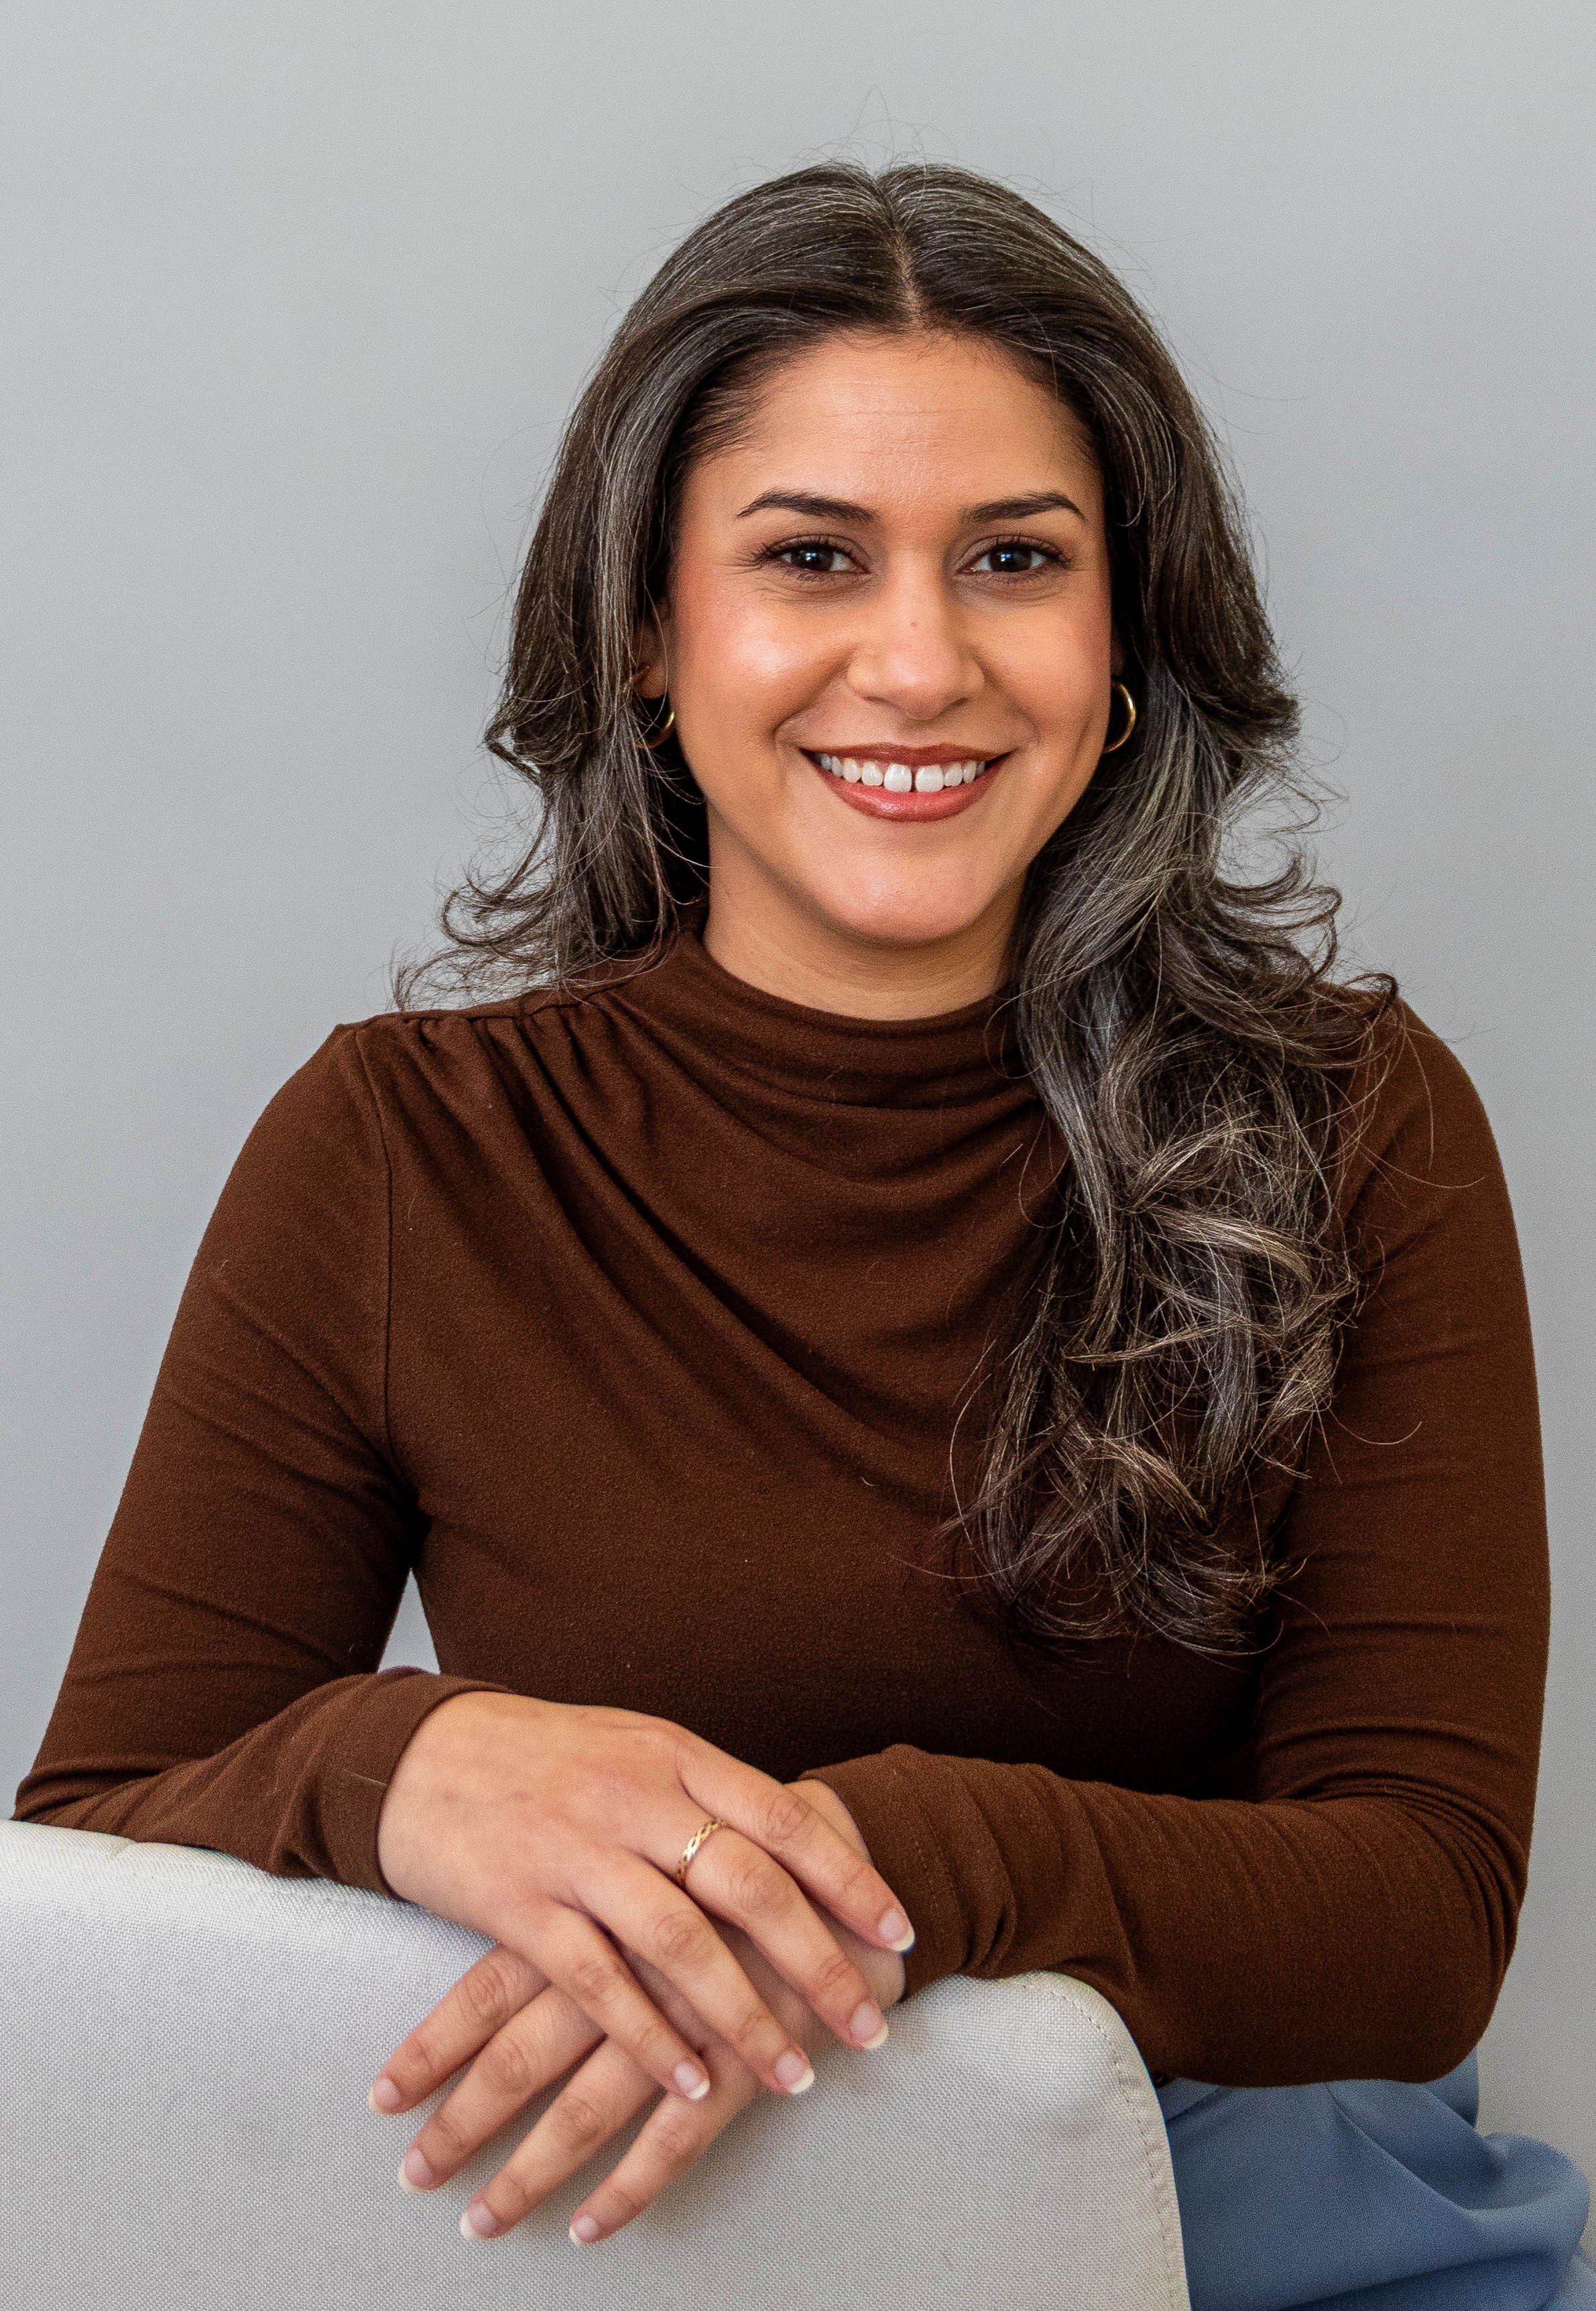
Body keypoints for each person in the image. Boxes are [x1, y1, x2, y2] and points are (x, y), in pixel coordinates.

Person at [17, 164, 1592, 2304]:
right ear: (653, 634)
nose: (920, 660)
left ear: (1121, 646)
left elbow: (1418, 1918)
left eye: (1015, 562)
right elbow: (84, 1856)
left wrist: (899, 1853)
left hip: (1261, 2248)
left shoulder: (1353, 1123)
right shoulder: (403, 1151)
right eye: (811, 558)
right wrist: (399, 1760)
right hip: (644, 2257)